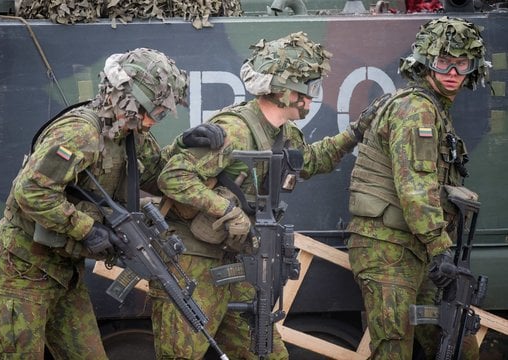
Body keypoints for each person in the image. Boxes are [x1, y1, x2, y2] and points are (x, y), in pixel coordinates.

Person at [0, 47, 225, 359]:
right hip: (22, 270)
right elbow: (31, 192)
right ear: (128, 99)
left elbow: (151, 174)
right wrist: (88, 230)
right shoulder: (80, 132)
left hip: (65, 272)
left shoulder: (129, 133)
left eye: (162, 114)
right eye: (154, 110)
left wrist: (184, 144)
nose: (155, 120)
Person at [153, 31, 371, 360]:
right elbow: (173, 177)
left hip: (231, 261)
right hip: (192, 261)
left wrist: (354, 133)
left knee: (266, 353)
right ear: (284, 90)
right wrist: (228, 210)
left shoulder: (282, 133)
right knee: (183, 355)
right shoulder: (236, 129)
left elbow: (310, 161)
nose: (311, 98)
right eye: (307, 88)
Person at [346, 16, 489, 359]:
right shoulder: (417, 111)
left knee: (454, 341)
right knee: (394, 346)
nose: (452, 72)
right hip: (388, 250)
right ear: (425, 62)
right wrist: (441, 249)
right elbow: (415, 188)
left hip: (416, 247)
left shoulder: (432, 108)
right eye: (443, 62)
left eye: (461, 63)